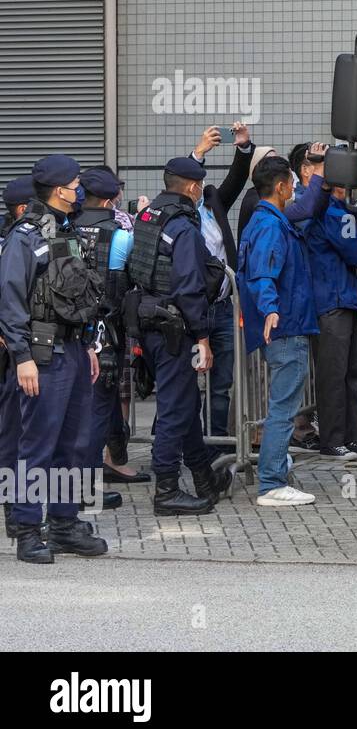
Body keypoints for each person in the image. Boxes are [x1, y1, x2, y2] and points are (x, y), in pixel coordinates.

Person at [0, 156, 107, 562]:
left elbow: (79, 296)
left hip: (75, 350)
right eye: (75, 182)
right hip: (42, 355)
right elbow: (9, 301)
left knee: (74, 443)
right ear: (60, 189)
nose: (79, 187)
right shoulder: (24, 236)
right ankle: (27, 530)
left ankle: (64, 524)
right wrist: (22, 356)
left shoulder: (67, 230)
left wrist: (90, 345)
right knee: (35, 446)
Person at [126, 157, 232, 515]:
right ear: (191, 187)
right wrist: (202, 336)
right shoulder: (185, 227)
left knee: (184, 405)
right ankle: (167, 490)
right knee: (174, 409)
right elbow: (189, 286)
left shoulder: (146, 216)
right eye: (199, 185)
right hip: (176, 327)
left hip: (149, 321)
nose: (200, 190)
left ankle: (204, 478)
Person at [237, 156, 319, 507]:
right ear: (281, 186)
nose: (295, 189)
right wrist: (270, 309)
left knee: (282, 406)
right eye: (292, 183)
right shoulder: (271, 225)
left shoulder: (269, 221)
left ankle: (275, 469)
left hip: (287, 326)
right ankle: (271, 483)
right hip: (286, 328)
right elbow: (262, 273)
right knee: (283, 408)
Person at [74, 166, 137, 511]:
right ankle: (85, 486)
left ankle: (115, 457)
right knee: (98, 407)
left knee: (95, 404)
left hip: (72, 329)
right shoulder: (119, 235)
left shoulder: (65, 226)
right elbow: (126, 280)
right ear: (112, 198)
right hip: (105, 331)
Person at [189, 122, 255, 445]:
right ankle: (183, 444)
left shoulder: (213, 203)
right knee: (188, 382)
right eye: (194, 179)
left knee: (221, 383)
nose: (199, 186)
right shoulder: (179, 211)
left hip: (223, 309)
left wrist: (243, 146)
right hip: (192, 310)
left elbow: (237, 179)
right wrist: (199, 151)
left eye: (201, 181)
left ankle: (216, 445)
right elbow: (181, 174)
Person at [302, 175, 357, 459]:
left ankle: (348, 437)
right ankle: (334, 440)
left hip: (342, 300)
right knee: (336, 376)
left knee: (347, 375)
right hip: (334, 301)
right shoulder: (334, 214)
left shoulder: (336, 212)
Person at [0, 175, 34, 539]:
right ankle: (14, 507)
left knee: (12, 431)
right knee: (12, 434)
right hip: (11, 350)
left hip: (10, 348)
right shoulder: (14, 243)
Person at [237, 141, 330, 240]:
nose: (276, 164)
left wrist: (326, 187)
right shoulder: (262, 209)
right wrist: (319, 169)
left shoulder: (273, 210)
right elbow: (305, 209)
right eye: (270, 161)